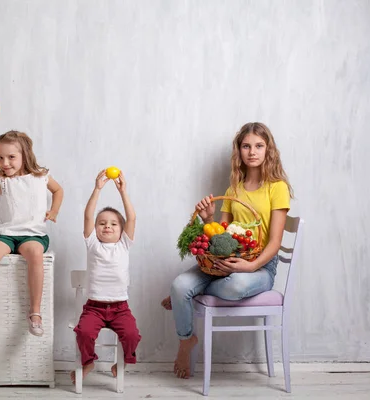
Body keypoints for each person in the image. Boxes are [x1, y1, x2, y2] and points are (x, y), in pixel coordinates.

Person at [162, 122, 293, 378]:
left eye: (259, 146)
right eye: (246, 146)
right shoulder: (233, 189)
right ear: (239, 151)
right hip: (224, 262)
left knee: (234, 287)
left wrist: (251, 266)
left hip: (260, 266)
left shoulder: (277, 188)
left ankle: (187, 297)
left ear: (269, 150)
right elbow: (220, 234)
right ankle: (186, 340)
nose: (252, 151)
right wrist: (208, 219)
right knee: (179, 285)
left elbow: (275, 241)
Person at [0, 110, 63, 339]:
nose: (4, 163)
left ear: (25, 155)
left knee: (35, 254)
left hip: (32, 233)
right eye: (1, 157)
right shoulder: (3, 181)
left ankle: (35, 312)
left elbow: (58, 190)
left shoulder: (41, 176)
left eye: (11, 157)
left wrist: (54, 210)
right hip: (5, 233)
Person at [71, 169, 141, 384]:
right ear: (96, 229)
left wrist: (123, 192)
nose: (107, 226)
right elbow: (87, 215)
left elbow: (132, 217)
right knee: (83, 332)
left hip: (120, 307)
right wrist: (97, 189)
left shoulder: (124, 245)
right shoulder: (92, 244)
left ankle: (125, 361)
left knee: (132, 335)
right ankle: (88, 361)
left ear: (121, 230)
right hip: (95, 307)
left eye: (113, 223)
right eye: (102, 223)